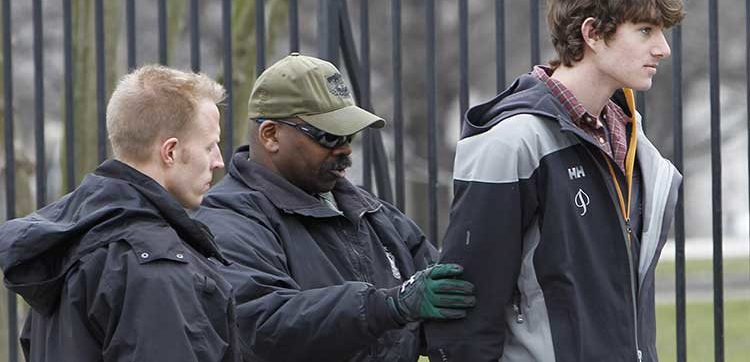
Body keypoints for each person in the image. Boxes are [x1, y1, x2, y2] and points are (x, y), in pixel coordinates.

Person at [425, 0, 685, 362]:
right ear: (593, 33)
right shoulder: (512, 142)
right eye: (645, 30)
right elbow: (466, 316)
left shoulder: (637, 150)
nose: (663, 48)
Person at [193, 53, 475, 362]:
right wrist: (389, 306)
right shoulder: (226, 221)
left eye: (348, 135)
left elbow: (443, 296)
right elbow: (261, 325)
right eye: (328, 136)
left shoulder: (368, 211)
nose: (344, 149)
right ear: (270, 135)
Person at [0, 65, 239, 362]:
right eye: (210, 146)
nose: (218, 161)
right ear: (171, 152)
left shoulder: (64, 241)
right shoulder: (154, 267)